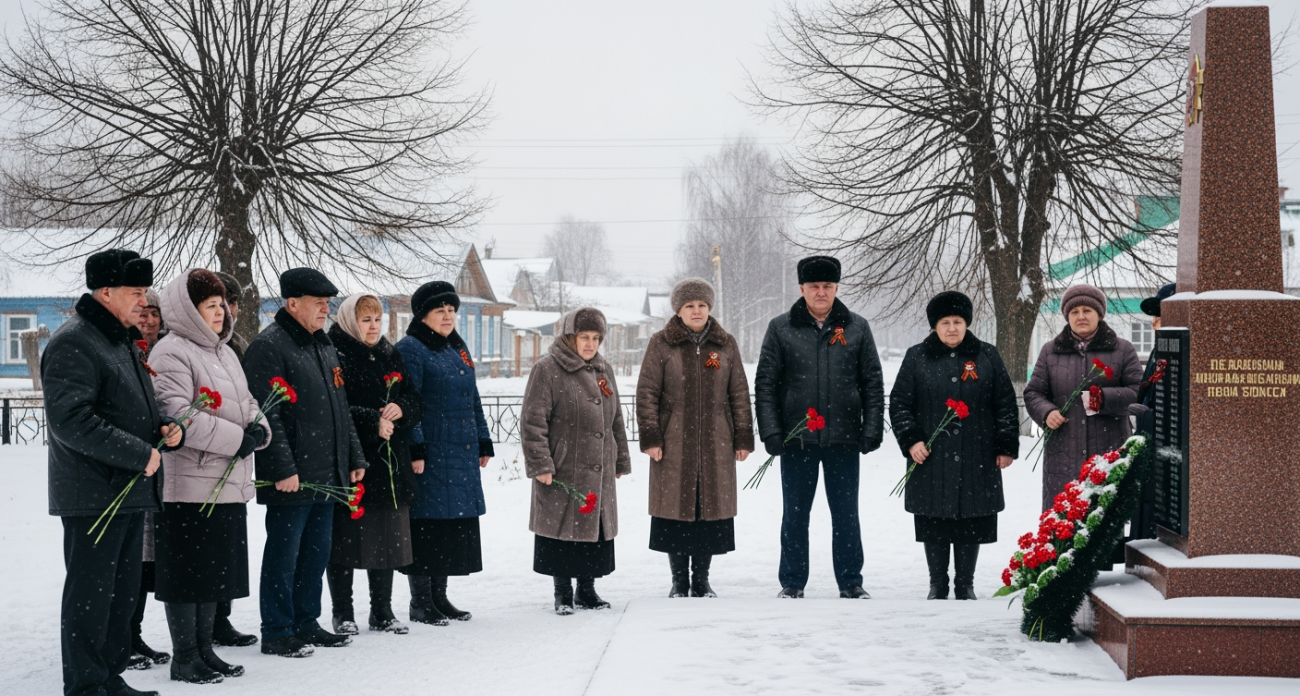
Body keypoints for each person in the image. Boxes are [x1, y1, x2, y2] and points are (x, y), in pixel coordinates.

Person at [43, 248, 183, 696]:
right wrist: (139, 453)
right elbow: (70, 420)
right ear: (106, 292)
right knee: (91, 595)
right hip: (94, 493)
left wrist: (165, 427)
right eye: (136, 292)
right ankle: (86, 685)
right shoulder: (74, 342)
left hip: (127, 488)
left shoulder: (118, 338)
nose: (144, 302)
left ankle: (109, 677)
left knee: (121, 595)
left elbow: (128, 407)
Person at [149, 269, 271, 683]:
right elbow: (178, 414)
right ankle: (185, 656)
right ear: (189, 310)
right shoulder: (170, 352)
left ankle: (204, 650)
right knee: (188, 574)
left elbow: (248, 400)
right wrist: (238, 439)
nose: (221, 312)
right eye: (210, 306)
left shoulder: (225, 352)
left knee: (212, 574)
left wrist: (259, 428)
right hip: (188, 483)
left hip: (226, 481)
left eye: (222, 305)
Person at [243, 268, 368, 657]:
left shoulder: (323, 345)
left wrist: (353, 456)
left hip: (326, 471)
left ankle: (306, 622)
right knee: (284, 555)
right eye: (318, 303)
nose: (325, 309)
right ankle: (277, 629)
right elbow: (266, 414)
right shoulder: (269, 346)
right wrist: (283, 468)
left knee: (316, 553)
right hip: (293, 475)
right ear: (292, 303)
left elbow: (341, 407)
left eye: (327, 303)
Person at [754, 255, 885, 599]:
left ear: (837, 288)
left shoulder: (856, 327)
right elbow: (766, 383)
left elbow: (872, 381)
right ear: (802, 289)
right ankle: (792, 581)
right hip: (797, 439)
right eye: (814, 286)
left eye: (828, 286)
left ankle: (851, 581)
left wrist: (871, 428)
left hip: (844, 437)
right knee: (795, 515)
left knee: (846, 514)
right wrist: (772, 431)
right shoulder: (781, 328)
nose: (821, 292)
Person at [888, 291, 1019, 600]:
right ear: (935, 326)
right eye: (945, 322)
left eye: (957, 321)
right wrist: (912, 440)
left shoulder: (987, 355)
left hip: (977, 453)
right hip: (931, 455)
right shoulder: (917, 356)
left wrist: (1005, 445)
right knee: (934, 517)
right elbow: (900, 404)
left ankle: (965, 583)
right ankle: (937, 583)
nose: (951, 328)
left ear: (966, 323)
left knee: (971, 516)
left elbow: (1004, 403)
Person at [636, 279, 753, 598]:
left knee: (708, 511)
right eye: (689, 305)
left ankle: (701, 579)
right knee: (675, 510)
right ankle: (679, 580)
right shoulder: (661, 343)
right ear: (678, 310)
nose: (696, 310)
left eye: (702, 305)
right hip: (672, 442)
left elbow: (739, 393)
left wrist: (743, 436)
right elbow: (647, 392)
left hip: (717, 441)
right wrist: (651, 436)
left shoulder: (725, 343)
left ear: (709, 308)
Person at [521, 307, 632, 614]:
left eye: (596, 338)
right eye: (584, 337)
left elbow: (616, 418)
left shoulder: (604, 370)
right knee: (561, 529)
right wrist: (541, 463)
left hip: (599, 465)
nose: (590, 344)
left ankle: (586, 589)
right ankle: (563, 593)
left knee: (593, 528)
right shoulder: (547, 368)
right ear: (570, 337)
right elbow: (533, 421)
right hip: (562, 467)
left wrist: (621, 458)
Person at [395, 281, 493, 625]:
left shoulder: (456, 346)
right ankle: (420, 601)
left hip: (459, 451)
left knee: (448, 526)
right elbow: (409, 401)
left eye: (452, 310)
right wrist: (416, 447)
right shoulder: (411, 348)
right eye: (440, 311)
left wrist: (483, 439)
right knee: (426, 524)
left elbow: (472, 396)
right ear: (423, 315)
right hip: (432, 452)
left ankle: (439, 597)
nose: (448, 316)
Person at [326, 293, 424, 636]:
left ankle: (382, 610)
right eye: (366, 319)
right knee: (345, 539)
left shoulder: (388, 352)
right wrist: (371, 421)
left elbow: (413, 397)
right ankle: (343, 612)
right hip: (354, 461)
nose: (373, 326)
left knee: (386, 537)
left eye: (378, 319)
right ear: (349, 321)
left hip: (390, 463)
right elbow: (333, 407)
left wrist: (402, 408)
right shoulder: (334, 352)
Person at [1024, 284, 1144, 511]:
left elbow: (1138, 392)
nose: (1081, 316)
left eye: (1087, 310)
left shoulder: (1122, 349)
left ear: (1099, 314)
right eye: (1074, 312)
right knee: (1062, 522)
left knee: (1103, 520)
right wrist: (1047, 412)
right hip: (1062, 455)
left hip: (1107, 451)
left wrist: (1102, 399)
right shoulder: (1050, 351)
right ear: (1067, 316)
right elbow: (1033, 393)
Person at [207, 270, 258, 648]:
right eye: (222, 302)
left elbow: (247, 395)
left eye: (234, 303)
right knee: (205, 551)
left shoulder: (235, 345)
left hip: (235, 459)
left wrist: (254, 427)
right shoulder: (190, 344)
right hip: (206, 457)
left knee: (227, 549)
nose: (229, 310)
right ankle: (202, 628)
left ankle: (220, 619)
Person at [125, 288, 169, 672]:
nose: (149, 319)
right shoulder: (125, 352)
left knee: (147, 560)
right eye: (142, 312)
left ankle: (132, 634)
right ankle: (123, 637)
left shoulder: (165, 352)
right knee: (132, 559)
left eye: (154, 312)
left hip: (163, 470)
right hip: (132, 466)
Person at [1128, 282, 1176, 540]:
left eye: (1160, 315)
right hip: (1151, 439)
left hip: (1167, 445)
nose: (1153, 322)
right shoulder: (1160, 350)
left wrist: (1148, 412)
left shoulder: (1178, 352)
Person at [214, 271, 249, 363]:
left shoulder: (241, 345)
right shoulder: (188, 346)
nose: (228, 308)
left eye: (233, 301)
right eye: (221, 302)